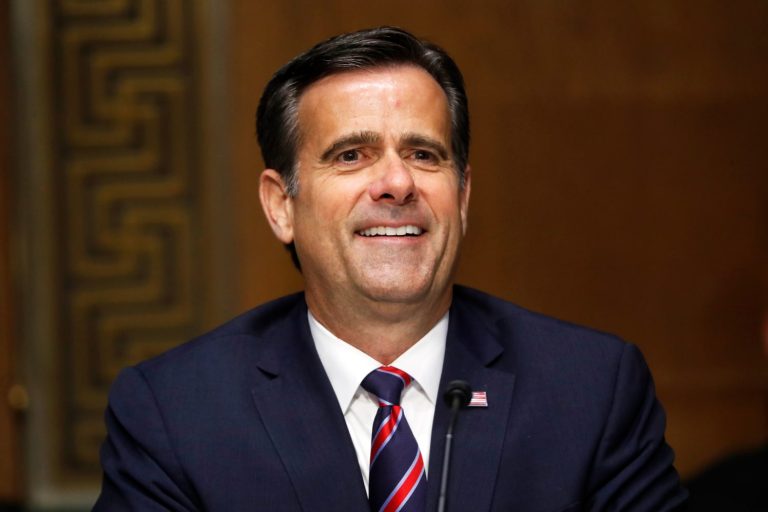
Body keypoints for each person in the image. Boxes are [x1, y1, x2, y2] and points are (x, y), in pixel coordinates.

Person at [94, 27, 687, 511]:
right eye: (351, 155)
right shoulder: (176, 411)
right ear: (281, 206)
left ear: (462, 194)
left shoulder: (591, 389)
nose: (397, 183)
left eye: (423, 154)